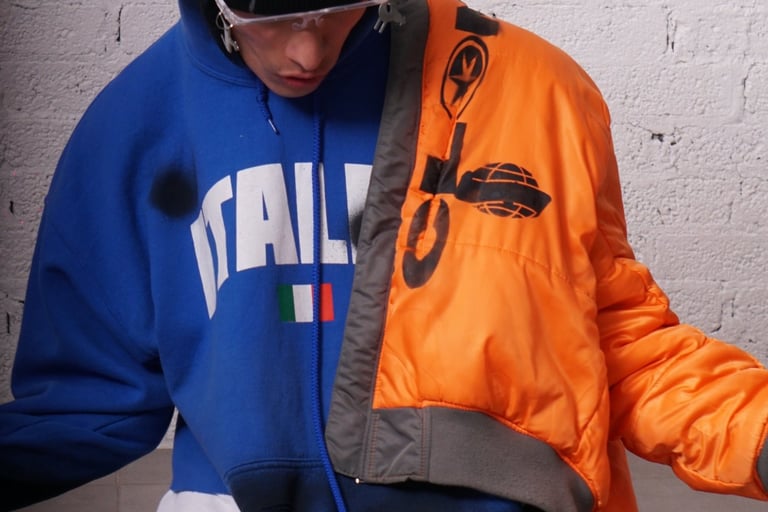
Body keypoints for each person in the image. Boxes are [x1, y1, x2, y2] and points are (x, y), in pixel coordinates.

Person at [1, 0, 767, 510]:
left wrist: (755, 431)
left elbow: (615, 343)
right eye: (272, 12)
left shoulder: (535, 92)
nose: (307, 50)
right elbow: (85, 398)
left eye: (339, 4)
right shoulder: (134, 127)